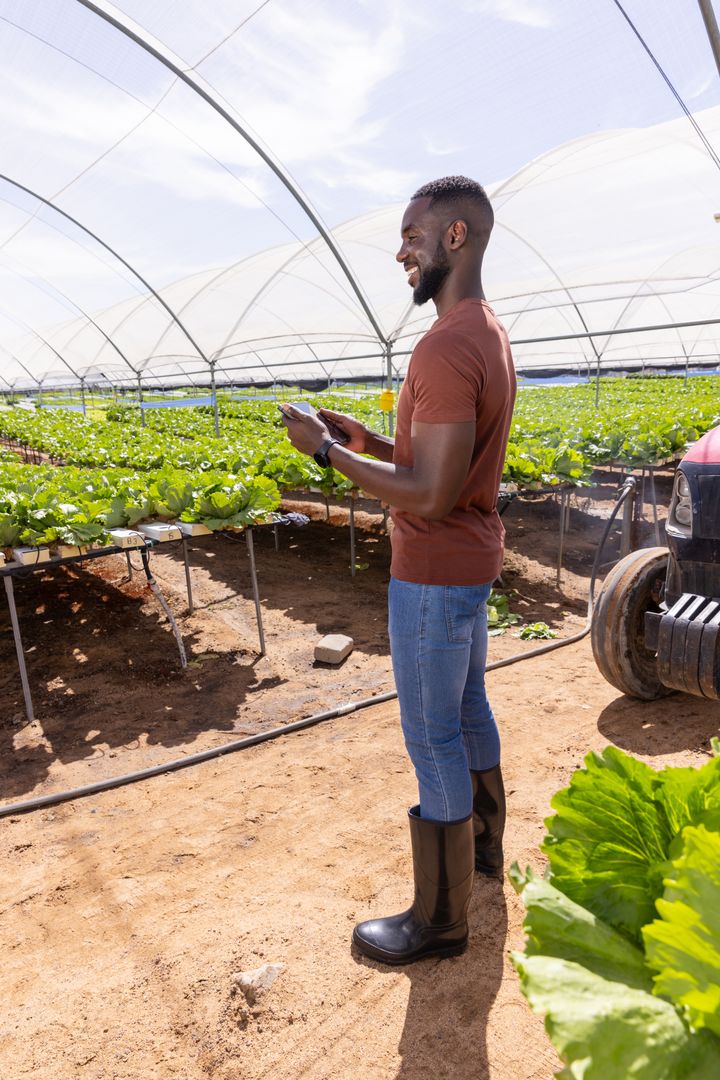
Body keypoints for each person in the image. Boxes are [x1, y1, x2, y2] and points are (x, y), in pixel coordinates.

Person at [281, 175, 516, 965]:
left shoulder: (445, 345)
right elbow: (439, 462)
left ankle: (440, 922)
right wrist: (372, 439)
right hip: (470, 563)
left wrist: (326, 452)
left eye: (414, 235)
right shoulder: (485, 330)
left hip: (433, 572)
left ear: (457, 237)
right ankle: (484, 854)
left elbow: (431, 491)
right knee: (470, 709)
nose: (401, 251)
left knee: (431, 736)